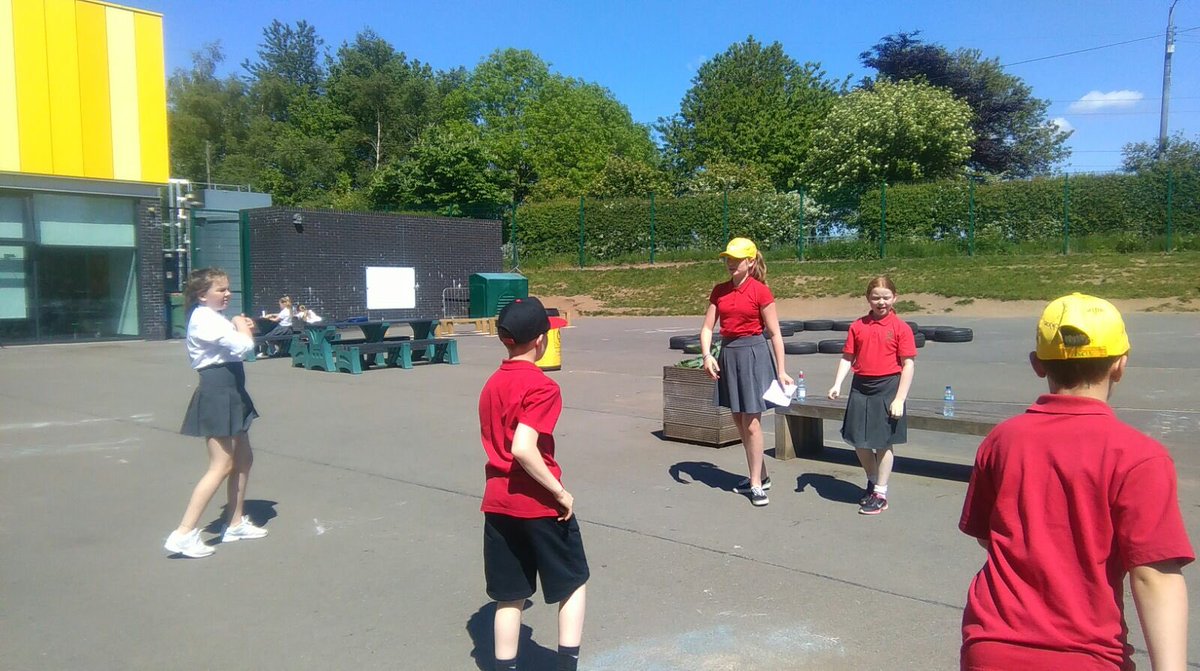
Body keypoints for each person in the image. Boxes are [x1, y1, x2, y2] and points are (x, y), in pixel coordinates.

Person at [959, 293, 1192, 671]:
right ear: (1120, 364)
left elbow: (990, 536)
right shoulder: (1139, 456)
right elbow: (1155, 578)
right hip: (1085, 655)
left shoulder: (1002, 440)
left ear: (1037, 364)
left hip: (990, 647)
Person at [479, 296, 587, 671]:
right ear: (541, 341)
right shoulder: (542, 387)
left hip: (498, 504)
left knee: (510, 596)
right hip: (538, 504)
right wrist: (559, 492)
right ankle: (566, 665)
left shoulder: (493, 383)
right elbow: (523, 448)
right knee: (572, 581)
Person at [163, 268, 268, 558]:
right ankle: (183, 533)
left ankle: (234, 523)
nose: (226, 294)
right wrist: (240, 324)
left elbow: (233, 348)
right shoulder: (204, 319)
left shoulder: (212, 318)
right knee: (221, 465)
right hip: (218, 391)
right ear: (202, 294)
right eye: (220, 289)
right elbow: (245, 347)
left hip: (232, 389)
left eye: (227, 289)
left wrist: (239, 326)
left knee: (244, 458)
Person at [700, 237, 792, 507]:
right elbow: (707, 328)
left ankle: (755, 484)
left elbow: (775, 334)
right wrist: (707, 355)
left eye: (736, 259)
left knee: (752, 423)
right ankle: (761, 475)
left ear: (750, 262)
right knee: (739, 420)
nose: (730, 264)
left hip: (754, 355)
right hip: (729, 354)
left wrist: (782, 371)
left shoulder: (761, 291)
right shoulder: (719, 291)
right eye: (728, 259)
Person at [826, 276, 916, 515]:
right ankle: (873, 479)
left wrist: (899, 399)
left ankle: (881, 493)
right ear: (868, 299)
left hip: (888, 387)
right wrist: (837, 384)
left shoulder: (901, 328)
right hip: (861, 386)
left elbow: (908, 364)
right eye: (876, 297)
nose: (881, 302)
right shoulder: (858, 326)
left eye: (886, 297)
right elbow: (848, 357)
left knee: (884, 443)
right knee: (858, 440)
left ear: (895, 298)